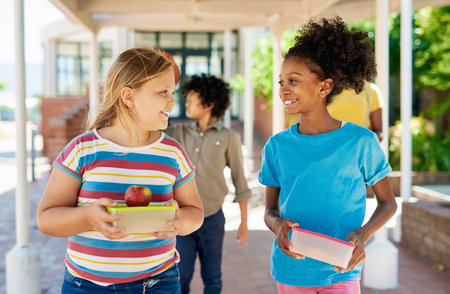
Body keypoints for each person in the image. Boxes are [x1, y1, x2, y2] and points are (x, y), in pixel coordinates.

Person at [36, 48, 204, 294]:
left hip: (158, 283)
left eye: (172, 92)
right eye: (163, 92)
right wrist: (88, 217)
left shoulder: (173, 154)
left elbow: (196, 213)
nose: (172, 101)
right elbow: (46, 219)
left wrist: (180, 221)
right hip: (85, 286)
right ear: (128, 96)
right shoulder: (82, 150)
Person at [259, 17, 397, 293]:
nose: (284, 89)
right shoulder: (276, 146)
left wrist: (363, 234)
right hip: (291, 271)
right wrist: (277, 226)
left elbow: (388, 204)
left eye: (293, 81)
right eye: (281, 81)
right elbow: (269, 211)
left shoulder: (361, 142)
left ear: (324, 87)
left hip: (341, 270)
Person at [165, 74, 251, 294]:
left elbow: (239, 180)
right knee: (180, 276)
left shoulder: (229, 137)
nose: (187, 103)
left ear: (210, 103)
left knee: (212, 277)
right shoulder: (178, 133)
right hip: (183, 218)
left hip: (213, 219)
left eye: (192, 98)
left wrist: (243, 222)